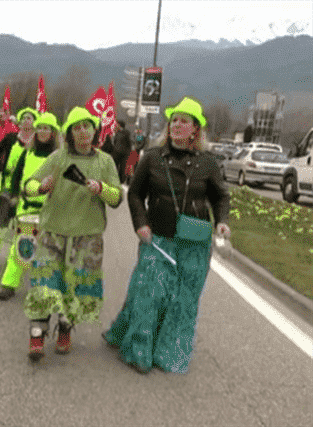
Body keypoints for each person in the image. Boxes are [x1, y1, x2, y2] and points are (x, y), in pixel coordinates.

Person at [103, 97, 230, 374]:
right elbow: (135, 193)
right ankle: (139, 349)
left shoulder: (208, 163)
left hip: (194, 244)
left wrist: (222, 222)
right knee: (149, 293)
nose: (177, 125)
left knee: (183, 301)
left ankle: (170, 352)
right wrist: (141, 223)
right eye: (174, 120)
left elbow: (220, 196)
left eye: (184, 121)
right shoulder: (152, 157)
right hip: (157, 237)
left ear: (196, 129)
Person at [22, 106, 122, 361]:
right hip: (53, 232)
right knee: (45, 283)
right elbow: (29, 184)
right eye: (76, 128)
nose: (82, 132)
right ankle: (37, 332)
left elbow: (117, 197)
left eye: (86, 126)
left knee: (75, 288)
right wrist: (40, 187)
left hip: (87, 236)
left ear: (94, 130)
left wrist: (100, 188)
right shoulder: (58, 158)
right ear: (68, 134)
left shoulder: (105, 161)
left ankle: (66, 327)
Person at [0, 112, 59, 301]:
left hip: (49, 211)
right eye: (39, 127)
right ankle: (9, 284)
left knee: (46, 252)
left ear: (53, 132)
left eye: (46, 128)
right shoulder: (28, 152)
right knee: (20, 247)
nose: (42, 131)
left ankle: (42, 287)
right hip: (25, 207)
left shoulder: (59, 157)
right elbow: (16, 176)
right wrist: (14, 195)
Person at [0, 107, 37, 267]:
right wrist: (2, 166)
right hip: (5, 185)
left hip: (25, 190)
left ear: (34, 122)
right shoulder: (11, 138)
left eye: (29, 118)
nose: (25, 121)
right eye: (23, 118)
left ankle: (19, 258)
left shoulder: (38, 143)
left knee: (21, 225)